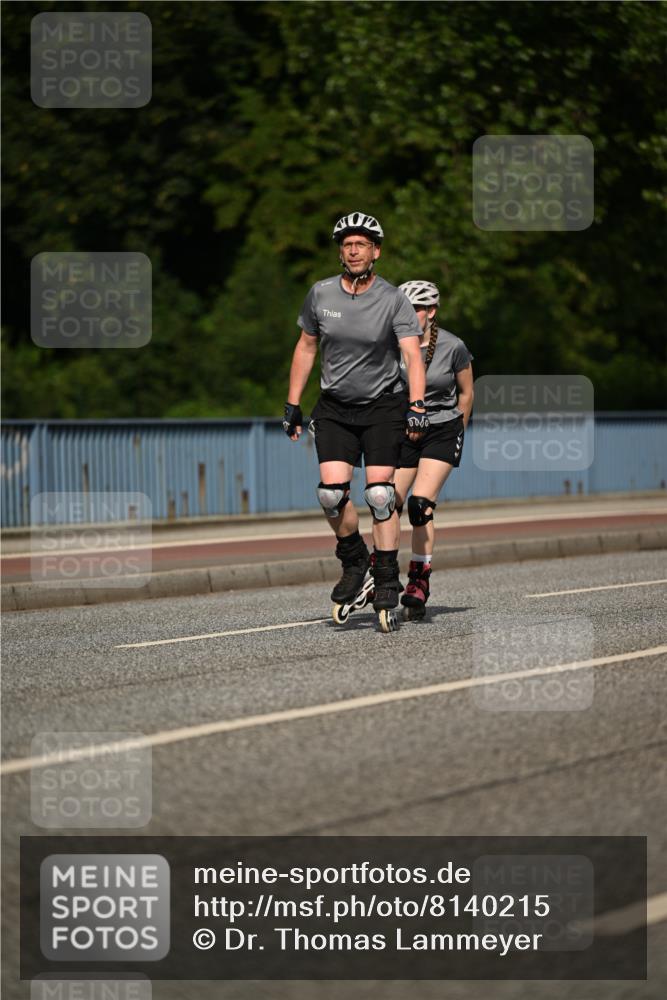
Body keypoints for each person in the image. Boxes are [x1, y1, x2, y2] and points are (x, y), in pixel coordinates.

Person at [282, 212, 428, 629]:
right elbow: (307, 346)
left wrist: (417, 406)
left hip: (383, 406)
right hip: (335, 408)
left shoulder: (392, 299)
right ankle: (354, 560)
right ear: (340, 252)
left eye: (362, 243)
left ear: (375, 251)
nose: (353, 249)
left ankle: (385, 576)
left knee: (381, 495)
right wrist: (293, 403)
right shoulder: (321, 294)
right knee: (330, 495)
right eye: (347, 243)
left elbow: (412, 355)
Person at [394, 280, 474, 619]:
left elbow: (466, 393)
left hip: (442, 429)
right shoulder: (389, 345)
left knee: (419, 505)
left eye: (417, 310)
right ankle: (382, 571)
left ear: (431, 312)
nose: (410, 316)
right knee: (385, 501)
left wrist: (458, 431)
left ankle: (418, 579)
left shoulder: (453, 346)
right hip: (404, 430)